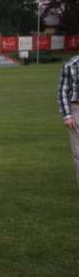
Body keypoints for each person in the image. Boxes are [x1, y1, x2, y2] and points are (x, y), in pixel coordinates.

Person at [58, 53, 79, 184]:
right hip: (76, 111)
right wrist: (67, 115)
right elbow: (63, 91)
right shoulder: (71, 65)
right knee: (78, 152)